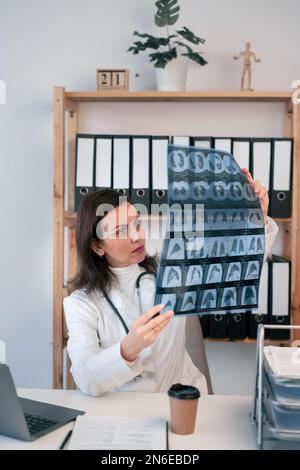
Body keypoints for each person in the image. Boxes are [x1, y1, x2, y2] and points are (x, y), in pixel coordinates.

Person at [63, 168, 278, 397]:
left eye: (136, 224)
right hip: (121, 410)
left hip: (182, 405)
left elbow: (234, 268)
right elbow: (86, 378)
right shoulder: (80, 303)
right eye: (120, 231)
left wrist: (257, 218)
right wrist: (128, 349)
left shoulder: (172, 273)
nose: (136, 236)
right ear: (97, 247)